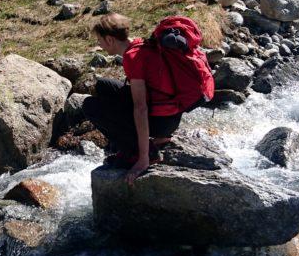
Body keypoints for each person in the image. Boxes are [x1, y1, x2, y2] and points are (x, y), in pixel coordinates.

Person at [83, 13, 211, 184]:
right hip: (170, 116)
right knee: (104, 86)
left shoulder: (132, 58)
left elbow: (140, 107)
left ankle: (144, 152)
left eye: (99, 39)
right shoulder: (140, 45)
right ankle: (154, 139)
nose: (99, 44)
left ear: (109, 39)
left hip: (162, 122)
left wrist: (143, 159)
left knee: (90, 106)